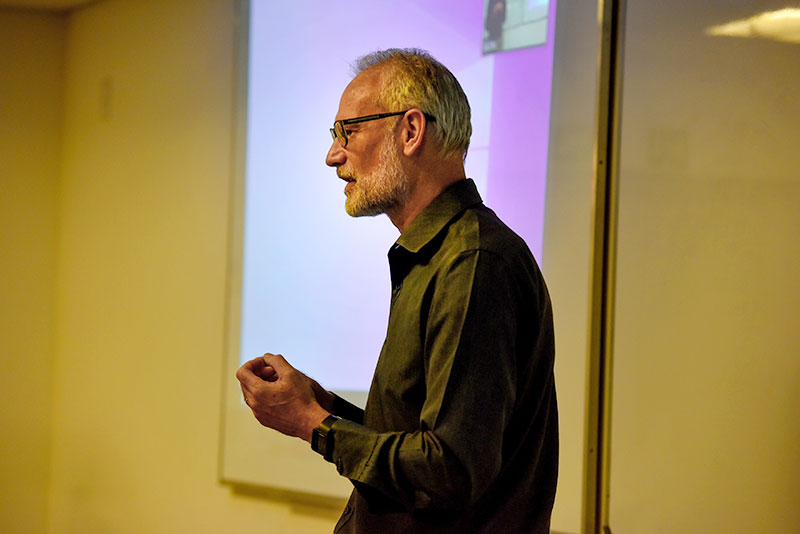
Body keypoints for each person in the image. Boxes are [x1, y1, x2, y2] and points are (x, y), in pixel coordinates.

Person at [236, 48, 558, 533]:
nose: (333, 155)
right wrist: (319, 407)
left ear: (410, 131)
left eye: (349, 130)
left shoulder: (473, 262)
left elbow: (449, 470)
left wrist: (311, 423)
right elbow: (420, 441)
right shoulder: (440, 255)